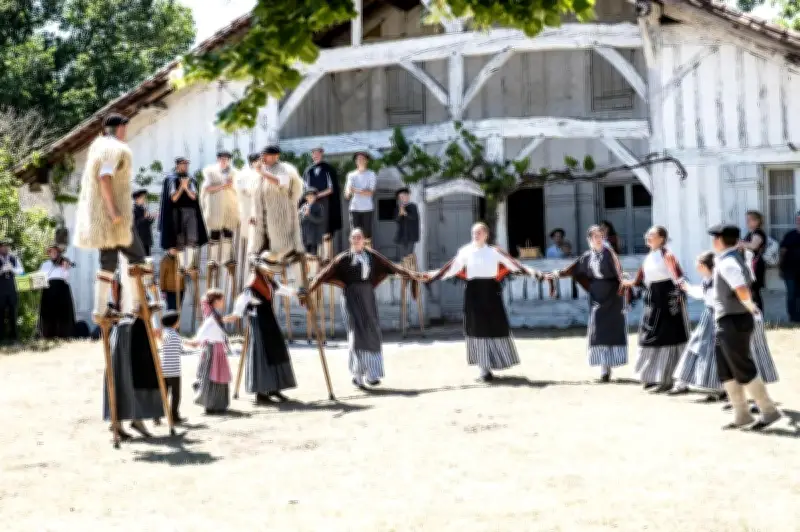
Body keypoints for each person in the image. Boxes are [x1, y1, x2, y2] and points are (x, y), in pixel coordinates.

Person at [306, 228, 422, 389]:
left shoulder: (371, 256)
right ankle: (357, 375)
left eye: (359, 237)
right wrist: (309, 288)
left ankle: (372, 374)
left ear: (363, 240)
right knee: (356, 333)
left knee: (372, 331)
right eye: (353, 238)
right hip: (351, 298)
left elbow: (391, 266)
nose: (356, 240)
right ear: (350, 240)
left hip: (368, 297)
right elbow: (324, 273)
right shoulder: (344, 258)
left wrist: (411, 274)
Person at [426, 223, 541, 383]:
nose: (476, 235)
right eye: (474, 232)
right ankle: (483, 370)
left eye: (479, 232)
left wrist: (532, 272)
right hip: (473, 293)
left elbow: (513, 265)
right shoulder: (465, 251)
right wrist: (434, 276)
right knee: (476, 327)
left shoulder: (494, 252)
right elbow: (453, 268)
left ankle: (496, 362)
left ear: (486, 235)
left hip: (491, 292)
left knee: (494, 325)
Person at [73, 113, 154, 321]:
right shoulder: (113, 149)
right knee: (138, 257)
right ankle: (139, 304)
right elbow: (104, 178)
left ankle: (100, 309)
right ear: (120, 128)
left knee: (108, 263)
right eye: (124, 128)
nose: (125, 132)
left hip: (104, 218)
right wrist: (113, 211)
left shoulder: (99, 148)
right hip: (114, 218)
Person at [673, 251, 779, 402]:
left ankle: (743, 396)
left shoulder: (722, 279)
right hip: (713, 317)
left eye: (698, 263)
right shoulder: (709, 280)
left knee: (739, 356)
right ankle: (720, 389)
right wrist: (688, 288)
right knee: (708, 353)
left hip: (725, 318)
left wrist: (689, 288)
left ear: (703, 266)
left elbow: (713, 296)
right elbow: (704, 294)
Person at [707, 224, 781, 430]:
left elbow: (741, 289)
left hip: (734, 319)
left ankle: (769, 411)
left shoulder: (728, 262)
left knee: (742, 366)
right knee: (726, 368)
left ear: (720, 240)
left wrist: (750, 306)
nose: (713, 241)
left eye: (714, 237)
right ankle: (742, 414)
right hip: (727, 319)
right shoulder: (730, 259)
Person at [545, 225, 628, 383]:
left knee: (611, 329)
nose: (598, 239)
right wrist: (557, 274)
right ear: (589, 240)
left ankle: (609, 365)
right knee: (597, 329)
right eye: (595, 237)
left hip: (612, 295)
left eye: (600, 236)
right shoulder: (588, 256)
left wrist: (625, 284)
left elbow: (618, 270)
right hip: (597, 295)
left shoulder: (609, 254)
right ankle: (603, 368)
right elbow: (574, 269)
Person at [624, 226, 689, 393]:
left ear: (661, 239)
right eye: (647, 234)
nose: (647, 236)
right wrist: (625, 282)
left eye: (652, 234)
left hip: (667, 301)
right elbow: (639, 280)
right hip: (652, 300)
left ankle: (668, 379)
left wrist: (680, 294)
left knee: (668, 338)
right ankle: (652, 377)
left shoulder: (667, 255)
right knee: (650, 336)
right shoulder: (649, 257)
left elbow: (678, 275)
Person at [239, 252, 302, 404]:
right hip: (258, 321)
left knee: (276, 350)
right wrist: (245, 311)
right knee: (261, 354)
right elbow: (241, 303)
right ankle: (261, 392)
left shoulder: (267, 279)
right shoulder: (252, 282)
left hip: (269, 319)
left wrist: (298, 292)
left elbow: (280, 289)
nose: (271, 270)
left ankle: (274, 388)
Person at [248, 145, 305, 256]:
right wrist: (253, 214)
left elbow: (282, 182)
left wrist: (263, 173)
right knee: (259, 252)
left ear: (276, 156)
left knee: (281, 251)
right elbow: (254, 195)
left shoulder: (284, 169)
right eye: (262, 155)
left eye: (266, 155)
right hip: (261, 220)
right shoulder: (258, 173)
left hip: (279, 217)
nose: (263, 157)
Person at [191, 289, 239, 414]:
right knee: (212, 377)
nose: (223, 302)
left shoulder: (213, 314)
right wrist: (195, 341)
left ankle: (216, 404)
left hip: (216, 349)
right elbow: (206, 329)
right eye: (221, 299)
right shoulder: (212, 316)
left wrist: (228, 319)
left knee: (217, 376)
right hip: (212, 350)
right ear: (216, 301)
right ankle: (210, 404)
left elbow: (219, 322)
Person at [159, 156, 208, 275]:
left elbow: (194, 196)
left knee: (192, 239)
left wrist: (186, 187)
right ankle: (181, 266)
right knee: (179, 240)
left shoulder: (191, 179)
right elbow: (173, 198)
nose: (185, 166)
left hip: (191, 212)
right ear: (177, 165)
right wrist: (182, 187)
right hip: (177, 213)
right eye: (183, 164)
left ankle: (190, 265)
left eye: (187, 164)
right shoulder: (171, 179)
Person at [302, 147, 344, 258]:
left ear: (321, 154)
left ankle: (327, 257)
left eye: (317, 153)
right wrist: (310, 199)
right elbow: (305, 188)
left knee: (325, 229)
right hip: (310, 202)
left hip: (324, 202)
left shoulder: (328, 169)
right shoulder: (308, 170)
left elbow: (331, 188)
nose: (315, 155)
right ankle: (314, 257)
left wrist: (317, 195)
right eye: (313, 153)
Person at [201, 151, 240, 270]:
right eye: (222, 158)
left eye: (227, 159)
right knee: (215, 232)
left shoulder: (234, 173)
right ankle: (213, 259)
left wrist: (232, 185)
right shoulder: (211, 172)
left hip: (229, 206)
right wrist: (222, 185)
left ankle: (226, 259)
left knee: (228, 232)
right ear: (218, 159)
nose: (224, 160)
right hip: (215, 206)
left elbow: (239, 188)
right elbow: (207, 188)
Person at [37, 244, 76, 339]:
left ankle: (64, 334)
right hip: (48, 289)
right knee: (48, 311)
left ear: (58, 253)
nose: (53, 253)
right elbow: (40, 277)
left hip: (61, 288)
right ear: (49, 253)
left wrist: (65, 268)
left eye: (55, 252)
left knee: (62, 311)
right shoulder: (45, 264)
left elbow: (66, 278)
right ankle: (48, 334)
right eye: (51, 252)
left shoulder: (63, 263)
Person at [154, 311, 185, 425]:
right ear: (174, 322)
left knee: (164, 394)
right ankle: (174, 415)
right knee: (176, 394)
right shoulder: (175, 335)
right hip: (174, 370)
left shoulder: (165, 333)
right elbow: (181, 349)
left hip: (163, 369)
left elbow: (162, 342)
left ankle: (156, 416)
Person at [344, 152, 377, 247]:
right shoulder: (351, 175)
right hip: (354, 208)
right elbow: (347, 193)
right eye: (358, 159)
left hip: (367, 208)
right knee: (355, 234)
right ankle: (355, 258)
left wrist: (355, 190)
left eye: (362, 159)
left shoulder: (371, 174)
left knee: (366, 235)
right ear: (355, 161)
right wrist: (349, 192)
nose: (360, 161)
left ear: (367, 161)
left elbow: (370, 192)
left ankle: (367, 257)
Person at [235, 153, 262, 259]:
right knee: (246, 240)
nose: (260, 162)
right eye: (258, 160)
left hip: (260, 210)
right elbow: (242, 190)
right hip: (247, 209)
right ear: (253, 162)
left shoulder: (262, 172)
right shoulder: (243, 174)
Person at [739, 210, 767, 311]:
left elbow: (754, 245)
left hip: (755, 264)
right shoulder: (750, 233)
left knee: (754, 291)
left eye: (750, 220)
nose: (747, 222)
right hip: (749, 264)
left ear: (757, 221)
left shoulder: (758, 232)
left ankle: (758, 316)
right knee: (751, 290)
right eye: (747, 220)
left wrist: (740, 244)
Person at [0, 239, 23, 344]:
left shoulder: (14, 258)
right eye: (3, 246)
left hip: (12, 290)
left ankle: (14, 338)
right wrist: (2, 270)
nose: (6, 248)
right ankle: (2, 338)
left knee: (13, 314)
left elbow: (21, 271)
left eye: (7, 246)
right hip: (1, 291)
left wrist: (12, 269)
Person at [779, 211, 800, 322]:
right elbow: (782, 252)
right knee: (791, 294)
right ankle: (792, 318)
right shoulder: (790, 235)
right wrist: (780, 267)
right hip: (790, 270)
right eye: (798, 219)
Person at [394, 187, 420, 260]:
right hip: (402, 235)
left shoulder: (413, 206)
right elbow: (396, 220)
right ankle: (403, 270)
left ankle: (410, 270)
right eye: (400, 197)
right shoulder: (398, 207)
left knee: (409, 256)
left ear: (408, 196)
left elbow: (414, 217)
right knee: (402, 256)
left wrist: (405, 213)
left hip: (411, 235)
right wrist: (400, 213)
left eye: (404, 196)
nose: (402, 198)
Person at [300, 187, 325, 255]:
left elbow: (320, 220)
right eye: (309, 196)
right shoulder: (303, 207)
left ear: (315, 197)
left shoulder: (319, 207)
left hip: (314, 236)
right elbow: (300, 221)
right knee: (305, 255)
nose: (310, 198)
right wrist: (303, 216)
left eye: (312, 196)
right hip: (305, 236)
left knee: (313, 255)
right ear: (306, 197)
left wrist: (309, 215)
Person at [132, 189, 155, 257]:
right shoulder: (133, 209)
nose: (144, 199)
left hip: (146, 239)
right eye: (143, 197)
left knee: (148, 260)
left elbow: (147, 224)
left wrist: (151, 218)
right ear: (137, 199)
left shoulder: (143, 209)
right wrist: (144, 218)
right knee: (140, 262)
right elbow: (135, 224)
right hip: (139, 240)